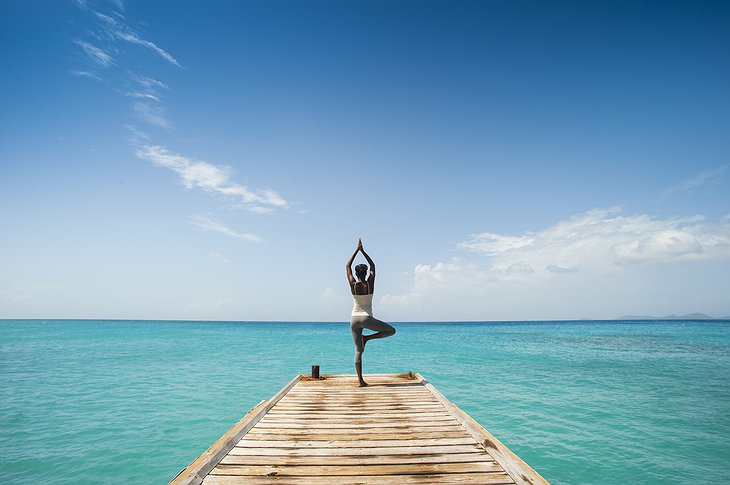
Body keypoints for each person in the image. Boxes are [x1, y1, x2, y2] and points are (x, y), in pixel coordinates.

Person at [346, 238, 396, 387]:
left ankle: (360, 381)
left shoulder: (352, 284)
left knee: (357, 351)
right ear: (366, 273)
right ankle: (367, 338)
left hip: (354, 318)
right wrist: (364, 251)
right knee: (391, 331)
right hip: (367, 318)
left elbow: (347, 265)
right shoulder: (370, 283)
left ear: (356, 273)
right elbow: (373, 265)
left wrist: (356, 250)